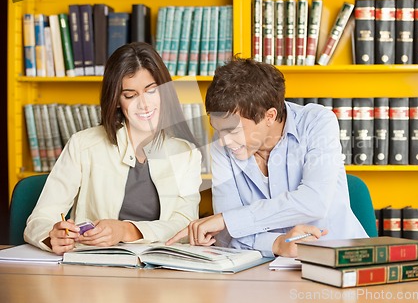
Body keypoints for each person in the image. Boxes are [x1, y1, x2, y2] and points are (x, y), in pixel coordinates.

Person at [167, 57, 367, 258]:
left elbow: (314, 202)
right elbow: (227, 233)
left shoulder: (317, 122)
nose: (224, 141)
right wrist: (276, 244)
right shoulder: (223, 141)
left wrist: (230, 221)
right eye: (218, 130)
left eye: (233, 130)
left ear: (269, 116)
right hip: (264, 269)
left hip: (338, 259)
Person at [25, 42, 203, 255]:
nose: (144, 105)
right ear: (117, 100)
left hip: (161, 269)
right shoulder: (83, 145)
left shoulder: (187, 154)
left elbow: (185, 224)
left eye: (151, 90)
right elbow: (40, 218)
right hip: (95, 269)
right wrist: (51, 236)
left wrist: (127, 231)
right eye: (130, 95)